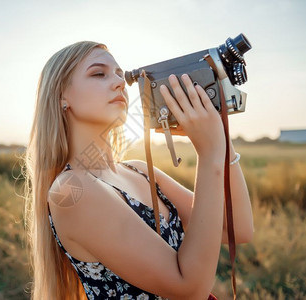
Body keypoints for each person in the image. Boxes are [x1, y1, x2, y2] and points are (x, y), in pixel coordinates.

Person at [23, 41, 254, 300]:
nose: (119, 83)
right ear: (62, 96)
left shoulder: (139, 171)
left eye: (121, 74)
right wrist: (209, 153)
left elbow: (239, 228)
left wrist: (221, 139)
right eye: (99, 73)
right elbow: (189, 288)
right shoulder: (72, 190)